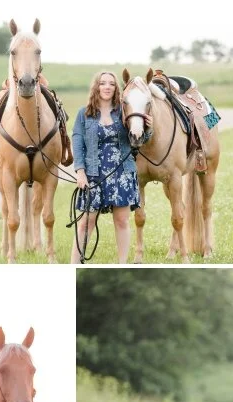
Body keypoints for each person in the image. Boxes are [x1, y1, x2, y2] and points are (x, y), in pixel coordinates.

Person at [70, 71, 140, 264]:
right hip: (93, 174)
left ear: (116, 88)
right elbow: (78, 143)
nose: (107, 87)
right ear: (96, 87)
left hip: (122, 173)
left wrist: (147, 129)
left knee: (122, 221)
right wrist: (80, 172)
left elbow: (139, 140)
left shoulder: (124, 112)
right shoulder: (84, 114)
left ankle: (123, 264)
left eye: (111, 84)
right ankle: (74, 265)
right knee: (86, 222)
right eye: (103, 83)